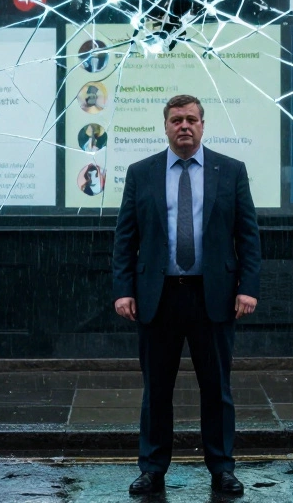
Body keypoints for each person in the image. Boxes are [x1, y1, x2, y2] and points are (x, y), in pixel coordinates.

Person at [112, 94, 262, 496]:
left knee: (217, 389)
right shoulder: (141, 173)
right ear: (165, 126)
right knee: (156, 390)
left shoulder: (229, 171)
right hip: (157, 297)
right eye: (176, 119)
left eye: (191, 119)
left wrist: (248, 287)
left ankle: (222, 468)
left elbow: (247, 236)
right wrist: (123, 290)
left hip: (211, 296)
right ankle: (152, 469)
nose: (184, 126)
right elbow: (125, 237)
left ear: (202, 125)